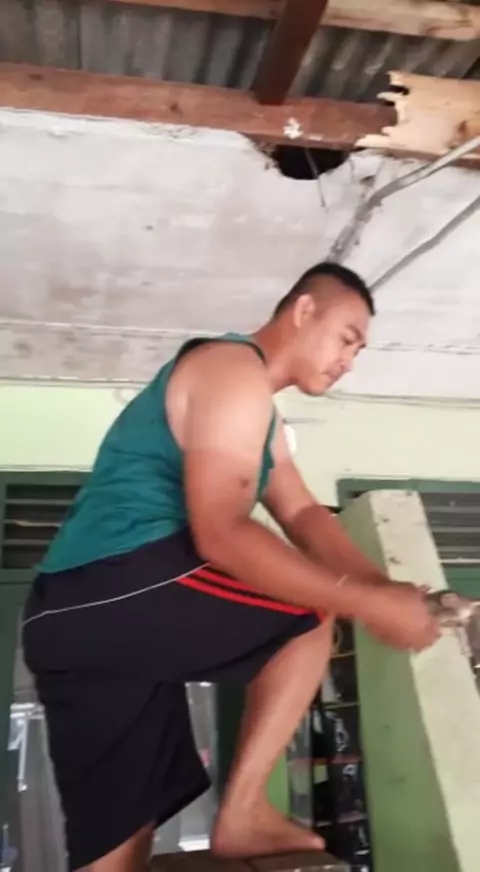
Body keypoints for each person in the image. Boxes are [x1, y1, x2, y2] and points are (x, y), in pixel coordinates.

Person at [22, 262, 439, 872]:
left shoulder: (259, 414)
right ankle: (242, 812)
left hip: (70, 616)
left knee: (118, 844)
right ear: (303, 311)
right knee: (307, 617)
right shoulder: (232, 369)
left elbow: (302, 513)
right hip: (121, 581)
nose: (350, 361)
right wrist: (368, 604)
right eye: (346, 338)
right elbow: (221, 532)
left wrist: (383, 589)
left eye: (359, 351)